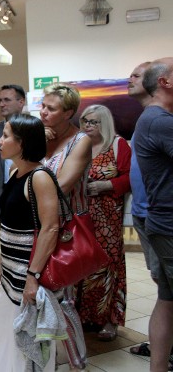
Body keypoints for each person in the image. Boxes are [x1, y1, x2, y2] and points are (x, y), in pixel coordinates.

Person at [0, 113, 61, 372]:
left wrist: (33, 277)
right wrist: (0, 263)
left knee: (27, 345)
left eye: (6, 135)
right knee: (8, 339)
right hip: (11, 274)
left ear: (22, 143)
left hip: (28, 277)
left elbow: (50, 228)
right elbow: (12, 225)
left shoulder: (40, 177)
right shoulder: (15, 171)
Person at [40, 83, 92, 371]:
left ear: (69, 112)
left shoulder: (80, 141)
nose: (43, 112)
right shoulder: (42, 136)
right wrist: (36, 140)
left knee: (65, 299)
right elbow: (16, 168)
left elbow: (63, 185)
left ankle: (77, 362)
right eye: (43, 106)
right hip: (40, 225)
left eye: (51, 108)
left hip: (66, 228)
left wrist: (28, 190)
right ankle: (48, 359)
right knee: (40, 294)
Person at [77, 104, 131, 341]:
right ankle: (85, 315)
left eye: (93, 122)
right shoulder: (79, 145)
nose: (88, 126)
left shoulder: (117, 145)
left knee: (109, 266)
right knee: (83, 265)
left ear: (105, 123)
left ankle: (110, 319)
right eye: (85, 121)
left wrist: (107, 185)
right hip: (82, 217)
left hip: (108, 218)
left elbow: (131, 178)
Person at [133, 57, 173, 372]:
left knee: (167, 299)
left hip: (163, 224)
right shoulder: (160, 121)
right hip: (170, 226)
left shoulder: (153, 118)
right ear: (165, 82)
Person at [0, 84, 27, 218]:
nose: (2, 104)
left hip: (27, 186)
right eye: (0, 100)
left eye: (7, 100)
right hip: (2, 190)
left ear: (21, 102)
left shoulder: (34, 128)